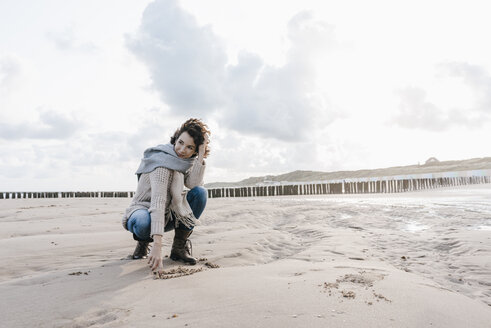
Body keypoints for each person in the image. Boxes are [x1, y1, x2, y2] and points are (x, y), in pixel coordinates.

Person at [122, 118, 210, 274]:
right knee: (144, 223)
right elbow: (158, 202)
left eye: (190, 147)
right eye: (181, 142)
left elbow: (193, 184)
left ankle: (179, 248)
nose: (182, 150)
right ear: (175, 139)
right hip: (143, 211)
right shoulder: (163, 161)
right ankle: (143, 242)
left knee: (200, 193)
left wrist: (201, 155)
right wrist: (157, 246)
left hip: (166, 214)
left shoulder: (184, 163)